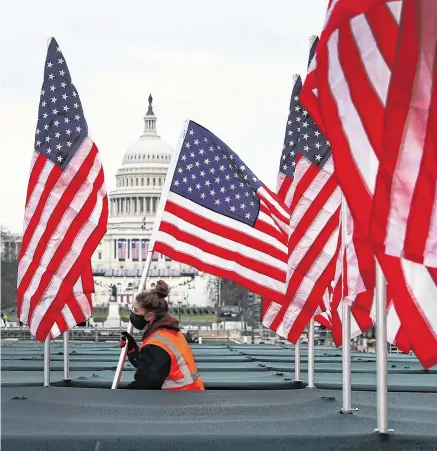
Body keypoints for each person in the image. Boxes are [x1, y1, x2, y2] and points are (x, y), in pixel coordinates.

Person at [120, 280, 205, 390]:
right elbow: (152, 366)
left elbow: (145, 383)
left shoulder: (156, 345)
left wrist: (118, 394)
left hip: (178, 399)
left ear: (150, 316)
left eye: (136, 310)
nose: (133, 314)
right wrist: (133, 351)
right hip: (190, 393)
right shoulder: (169, 332)